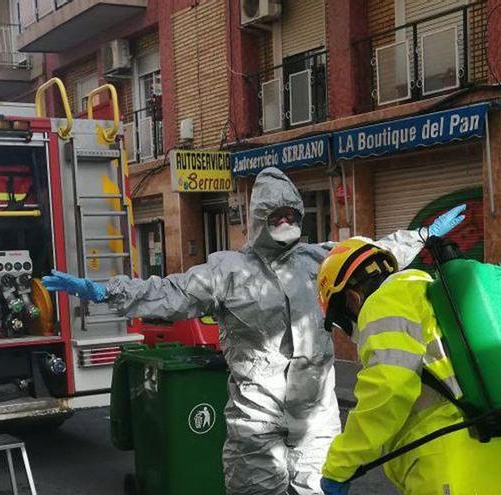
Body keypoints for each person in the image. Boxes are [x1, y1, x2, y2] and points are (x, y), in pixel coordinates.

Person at [43, 167, 466, 495]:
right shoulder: (228, 271)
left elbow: (374, 252)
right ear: (258, 218)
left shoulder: (318, 259)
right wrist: (102, 291)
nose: (284, 220)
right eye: (275, 214)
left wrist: (423, 235)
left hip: (316, 422)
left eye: (291, 213)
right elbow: (169, 294)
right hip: (256, 423)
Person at [315, 238, 501, 495]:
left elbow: (390, 386)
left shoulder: (386, 299)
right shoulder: (441, 296)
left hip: (456, 467)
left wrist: (339, 466)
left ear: (352, 300)